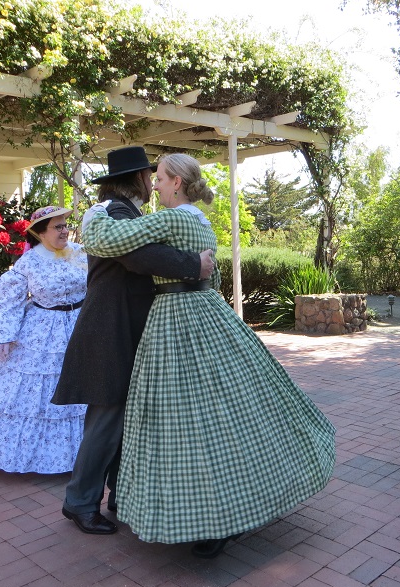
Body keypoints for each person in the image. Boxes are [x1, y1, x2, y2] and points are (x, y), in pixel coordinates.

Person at [81, 153, 336, 558]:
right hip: (209, 313)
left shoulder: (173, 217)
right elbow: (211, 275)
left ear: (178, 183)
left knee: (191, 422)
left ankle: (215, 517)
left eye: (162, 178)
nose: (157, 185)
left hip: (176, 320)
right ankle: (239, 504)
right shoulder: (200, 220)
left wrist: (93, 215)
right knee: (225, 411)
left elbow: (103, 241)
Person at [53, 146, 215, 536]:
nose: (153, 181)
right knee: (106, 422)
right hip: (110, 333)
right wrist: (194, 265)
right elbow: (142, 257)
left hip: (123, 330)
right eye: (150, 175)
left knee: (125, 421)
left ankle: (118, 497)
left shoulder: (126, 213)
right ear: (138, 179)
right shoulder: (111, 213)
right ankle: (79, 503)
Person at [0, 206, 88, 474]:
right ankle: (43, 458)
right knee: (36, 394)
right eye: (57, 227)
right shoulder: (30, 261)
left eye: (65, 225)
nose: (65, 230)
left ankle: (87, 455)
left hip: (80, 326)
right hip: (42, 333)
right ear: (40, 232)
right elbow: (6, 300)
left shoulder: (79, 252)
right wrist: (2, 336)